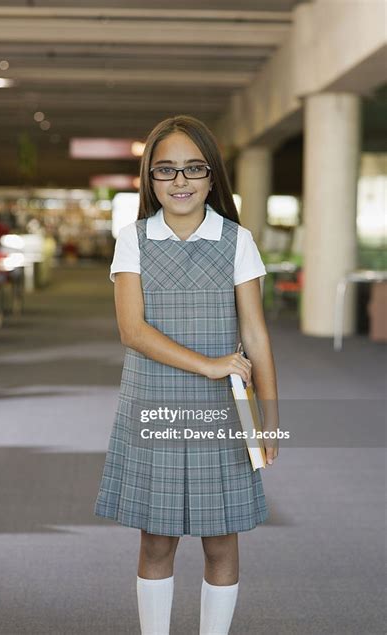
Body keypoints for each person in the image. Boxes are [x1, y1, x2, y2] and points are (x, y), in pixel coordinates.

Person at [94, 115, 279, 635]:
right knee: (156, 540)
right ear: (149, 180)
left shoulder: (236, 240)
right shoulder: (133, 239)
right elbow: (132, 331)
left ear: (212, 176)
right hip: (151, 401)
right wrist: (212, 364)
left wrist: (269, 418)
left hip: (223, 412)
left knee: (222, 538)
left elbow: (258, 336)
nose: (180, 181)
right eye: (166, 171)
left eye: (193, 169)